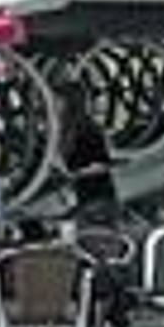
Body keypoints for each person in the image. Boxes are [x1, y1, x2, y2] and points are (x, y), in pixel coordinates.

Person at [56, 80, 120, 226]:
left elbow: (102, 165)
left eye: (58, 101)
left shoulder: (89, 131)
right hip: (89, 201)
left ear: (70, 103)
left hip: (98, 203)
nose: (54, 106)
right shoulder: (69, 132)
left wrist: (72, 174)